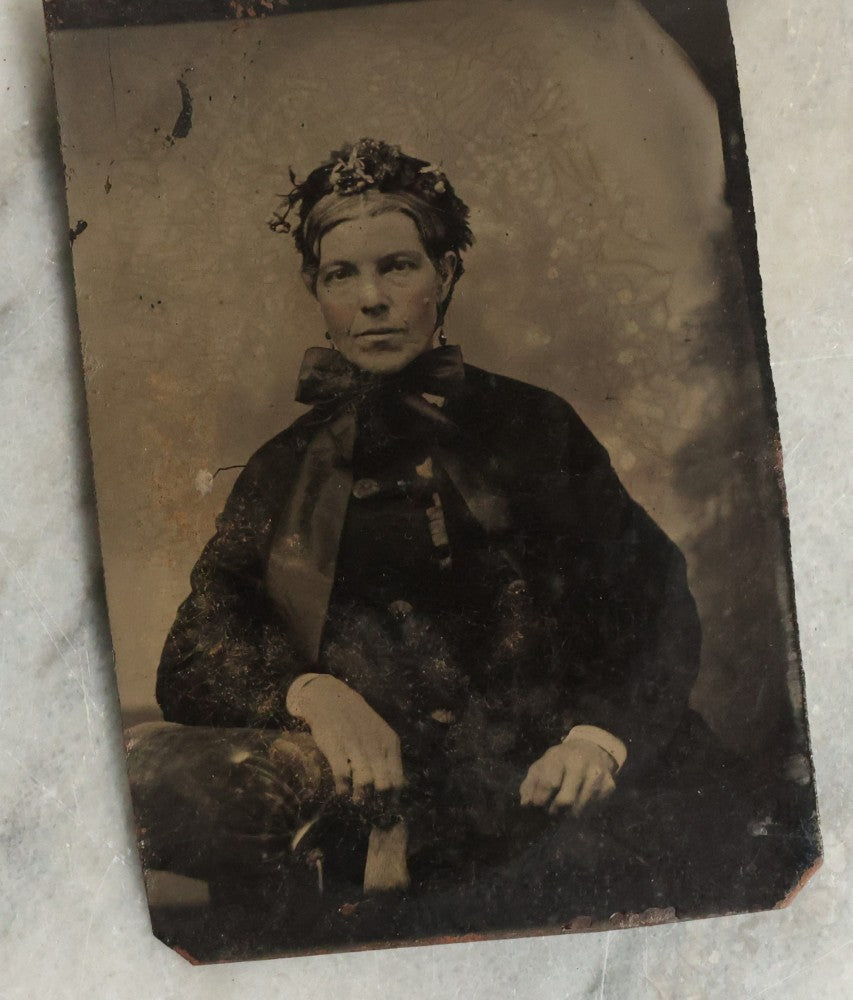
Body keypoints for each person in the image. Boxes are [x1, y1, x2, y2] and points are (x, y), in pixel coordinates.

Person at [127, 139, 742, 956]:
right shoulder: (283, 469)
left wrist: (599, 737)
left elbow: (654, 599)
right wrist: (313, 693)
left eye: (398, 266)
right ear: (314, 291)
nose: (371, 299)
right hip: (404, 814)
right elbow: (197, 646)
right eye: (341, 275)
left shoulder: (535, 428)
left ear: (445, 274)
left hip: (574, 784)